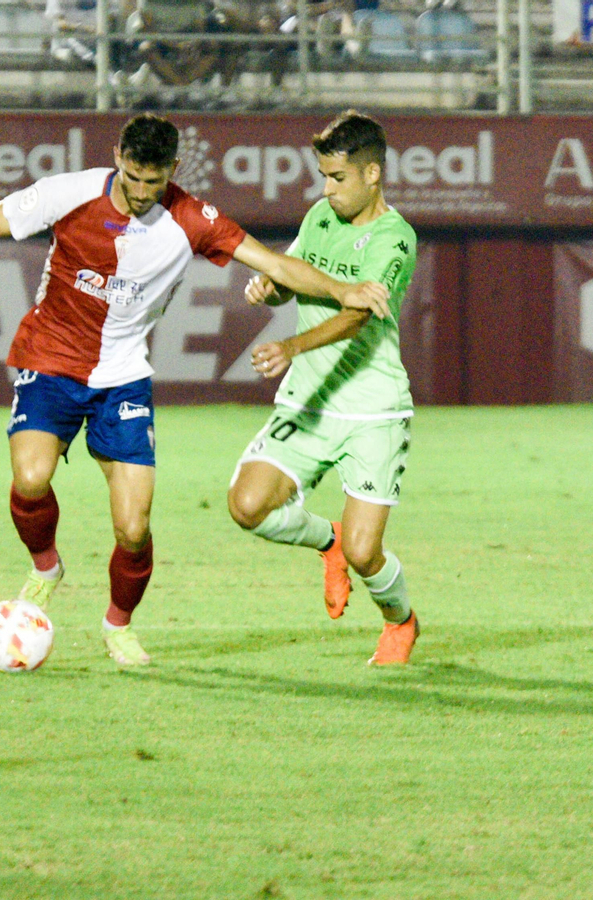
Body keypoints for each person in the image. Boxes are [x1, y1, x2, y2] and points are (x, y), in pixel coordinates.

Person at [0, 113, 389, 667]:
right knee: (31, 477)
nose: (138, 194)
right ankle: (45, 567)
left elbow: (275, 263)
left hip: (124, 376)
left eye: (152, 183)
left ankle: (118, 625)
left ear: (173, 172)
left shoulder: (191, 218)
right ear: (117, 157)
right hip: (51, 357)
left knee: (133, 528)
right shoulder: (72, 193)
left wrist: (343, 290)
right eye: (131, 178)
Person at [225, 111, 420, 666]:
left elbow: (359, 313)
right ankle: (325, 541)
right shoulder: (320, 217)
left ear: (372, 175)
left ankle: (400, 622)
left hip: (373, 410)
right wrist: (273, 287)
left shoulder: (395, 238)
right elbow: (300, 277)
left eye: (338, 178)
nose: (327, 189)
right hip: (308, 401)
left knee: (367, 553)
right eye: (323, 177)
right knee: (248, 506)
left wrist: (291, 348)